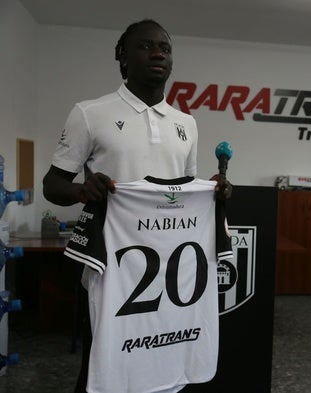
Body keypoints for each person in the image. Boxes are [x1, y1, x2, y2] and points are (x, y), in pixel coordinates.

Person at [42, 19, 231, 393]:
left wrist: (216, 192)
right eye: (145, 46)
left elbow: (187, 189)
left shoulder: (186, 123)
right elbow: (52, 184)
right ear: (122, 57)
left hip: (172, 270)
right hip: (111, 267)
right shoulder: (90, 113)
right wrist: (82, 190)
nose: (158, 52)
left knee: (166, 357)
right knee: (103, 367)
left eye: (165, 47)